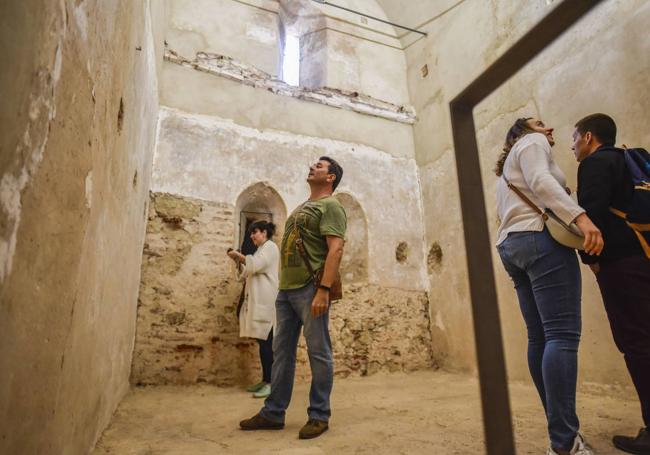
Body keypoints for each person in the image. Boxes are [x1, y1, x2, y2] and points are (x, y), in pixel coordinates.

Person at [494, 117, 603, 455]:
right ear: (523, 131)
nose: (549, 128)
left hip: (511, 246)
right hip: (540, 241)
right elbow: (541, 181)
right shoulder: (531, 143)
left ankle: (560, 428)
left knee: (540, 337)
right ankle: (564, 441)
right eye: (540, 123)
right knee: (562, 336)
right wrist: (581, 218)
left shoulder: (508, 165)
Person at [239, 156, 346, 440]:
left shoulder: (332, 206)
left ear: (331, 177)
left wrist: (323, 289)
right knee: (281, 354)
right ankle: (274, 413)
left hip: (311, 289)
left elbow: (335, 249)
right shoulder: (302, 207)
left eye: (320, 166)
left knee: (318, 352)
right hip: (285, 291)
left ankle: (319, 415)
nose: (313, 166)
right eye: (314, 164)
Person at [572, 113, 650, 455]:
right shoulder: (634, 157)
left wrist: (592, 263)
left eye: (575, 138)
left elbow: (593, 217)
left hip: (622, 263)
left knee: (637, 342)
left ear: (589, 137)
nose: (573, 145)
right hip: (646, 254)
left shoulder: (594, 164)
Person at [228, 220, 280, 399]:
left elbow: (256, 264)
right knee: (262, 343)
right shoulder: (260, 250)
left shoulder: (271, 247)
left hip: (267, 302)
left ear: (264, 233)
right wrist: (238, 260)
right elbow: (246, 273)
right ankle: (265, 380)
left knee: (268, 345)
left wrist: (240, 256)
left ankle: (272, 383)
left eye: (254, 232)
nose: (251, 236)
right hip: (259, 302)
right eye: (251, 233)